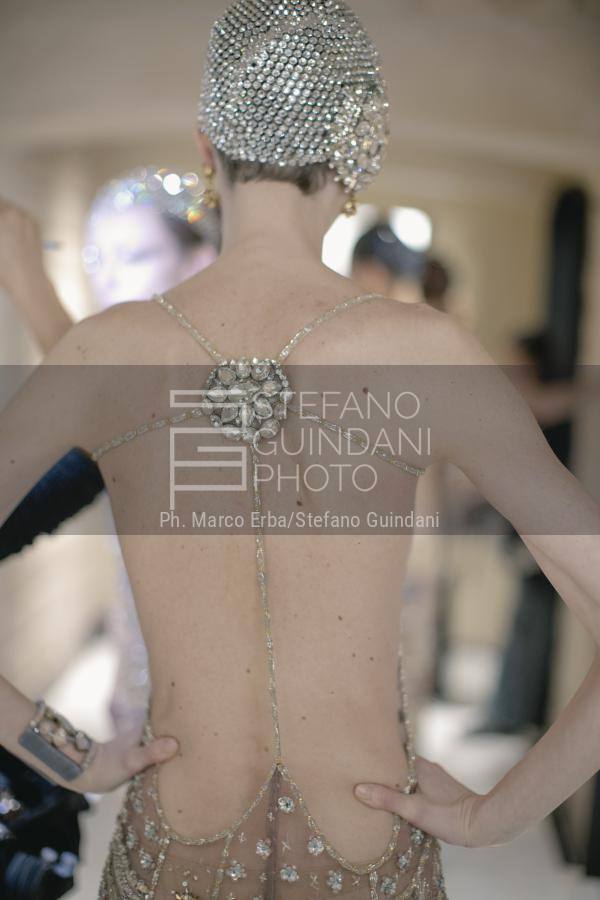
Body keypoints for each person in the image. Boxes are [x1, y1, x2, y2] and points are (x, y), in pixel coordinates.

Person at [0, 3, 599, 899]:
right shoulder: (425, 352)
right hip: (371, 856)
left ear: (207, 148)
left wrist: (67, 754)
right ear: (355, 156)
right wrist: (495, 816)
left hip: (171, 854)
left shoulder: (104, 351)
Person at [0, 167, 220, 735]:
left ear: (200, 262)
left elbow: (124, 423)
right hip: (138, 710)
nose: (108, 278)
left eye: (135, 255)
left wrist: (28, 282)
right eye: (97, 258)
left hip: (221, 718)